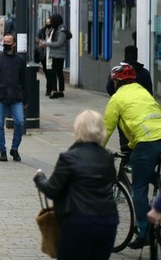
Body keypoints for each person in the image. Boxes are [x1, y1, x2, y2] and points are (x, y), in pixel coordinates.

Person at [34, 110, 118, 259]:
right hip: (107, 220)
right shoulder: (107, 157)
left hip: (78, 221)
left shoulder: (68, 158)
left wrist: (39, 177)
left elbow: (52, 190)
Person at [103, 63, 161, 249]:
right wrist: (130, 145)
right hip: (156, 137)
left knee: (139, 186)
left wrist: (92, 151)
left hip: (147, 142)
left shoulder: (117, 99)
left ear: (117, 81)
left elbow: (105, 129)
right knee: (146, 171)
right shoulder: (143, 91)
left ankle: (144, 232)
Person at [0, 33, 26, 162]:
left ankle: (14, 149)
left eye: (9, 42)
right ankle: (2, 150)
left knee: (20, 122)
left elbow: (24, 80)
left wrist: (26, 99)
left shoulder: (20, 60)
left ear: (14, 44)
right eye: (4, 41)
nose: (6, 44)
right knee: (0, 124)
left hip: (16, 96)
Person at [39, 13, 68, 99]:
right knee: (54, 73)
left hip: (58, 55)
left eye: (52, 21)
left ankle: (59, 91)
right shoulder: (54, 29)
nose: (50, 23)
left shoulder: (61, 31)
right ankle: (55, 90)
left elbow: (59, 43)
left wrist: (46, 44)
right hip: (53, 54)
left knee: (58, 73)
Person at [34, 18, 54, 95]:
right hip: (43, 54)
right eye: (47, 23)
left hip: (51, 53)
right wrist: (40, 41)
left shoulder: (53, 31)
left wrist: (47, 43)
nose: (48, 24)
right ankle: (49, 88)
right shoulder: (42, 30)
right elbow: (36, 38)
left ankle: (50, 88)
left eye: (49, 23)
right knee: (46, 71)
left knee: (50, 72)